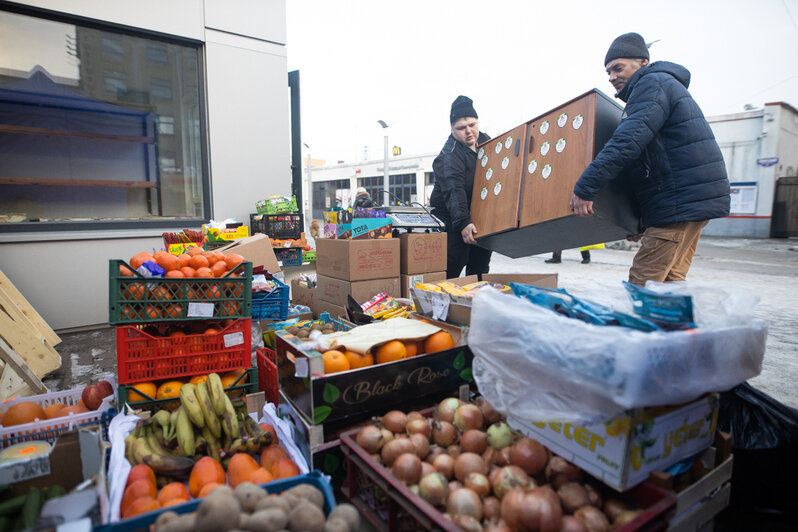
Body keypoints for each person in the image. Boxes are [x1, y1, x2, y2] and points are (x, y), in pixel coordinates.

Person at [570, 32, 729, 285]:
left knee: (645, 281)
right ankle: (673, 325)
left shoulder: (652, 83)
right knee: (670, 280)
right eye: (608, 72)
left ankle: (648, 325)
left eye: (617, 68)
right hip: (688, 201)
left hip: (679, 202)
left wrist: (585, 188)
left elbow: (627, 143)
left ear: (642, 62)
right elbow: (652, 161)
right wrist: (642, 221)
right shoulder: (661, 86)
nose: (612, 77)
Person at [430, 95, 492, 279]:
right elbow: (453, 189)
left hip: (479, 218)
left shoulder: (487, 142)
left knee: (480, 269)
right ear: (452, 129)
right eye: (461, 128)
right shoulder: (449, 155)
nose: (469, 131)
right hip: (452, 221)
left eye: (472, 125)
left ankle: (474, 303)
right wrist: (463, 222)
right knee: (452, 270)